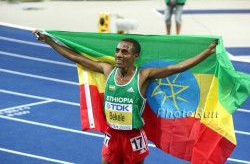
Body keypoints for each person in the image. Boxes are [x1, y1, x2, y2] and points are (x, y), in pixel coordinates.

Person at [32, 30, 217, 164]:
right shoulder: (108, 70)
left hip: (133, 137)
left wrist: (207, 52)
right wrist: (50, 41)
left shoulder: (143, 75)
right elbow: (77, 58)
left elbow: (176, 68)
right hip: (112, 134)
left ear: (135, 56)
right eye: (118, 51)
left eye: (125, 52)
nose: (119, 55)